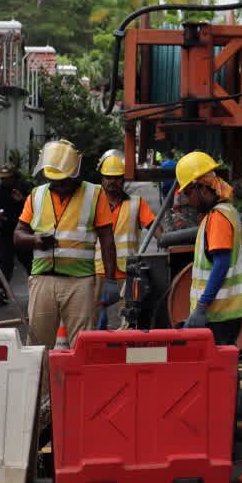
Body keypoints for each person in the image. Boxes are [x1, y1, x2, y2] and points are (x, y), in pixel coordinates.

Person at [16, 140, 113, 347]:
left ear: (75, 173)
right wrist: (35, 240)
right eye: (54, 181)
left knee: (82, 346)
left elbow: (107, 239)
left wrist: (111, 280)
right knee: (37, 347)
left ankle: (80, 381)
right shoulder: (37, 195)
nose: (59, 186)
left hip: (80, 282)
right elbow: (18, 235)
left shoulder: (95, 194)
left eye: (64, 181)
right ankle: (41, 381)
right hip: (43, 279)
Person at [175, 151, 242, 347]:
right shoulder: (222, 213)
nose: (188, 200)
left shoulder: (218, 218)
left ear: (202, 188)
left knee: (218, 372)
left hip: (220, 315)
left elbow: (221, 264)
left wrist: (201, 306)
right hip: (220, 313)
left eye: (188, 193)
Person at [94, 149, 156, 328]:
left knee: (123, 325)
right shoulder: (93, 203)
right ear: (102, 179)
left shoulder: (137, 203)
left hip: (126, 273)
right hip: (97, 272)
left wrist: (168, 240)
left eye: (116, 177)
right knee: (93, 323)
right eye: (108, 177)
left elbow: (155, 228)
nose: (112, 181)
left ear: (123, 179)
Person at [0, 165, 29, 306]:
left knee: (29, 261)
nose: (4, 181)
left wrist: (22, 200)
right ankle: (1, 291)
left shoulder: (24, 187)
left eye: (7, 178)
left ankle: (38, 287)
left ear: (14, 176)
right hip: (5, 232)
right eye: (2, 179)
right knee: (3, 262)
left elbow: (36, 206)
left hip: (23, 231)